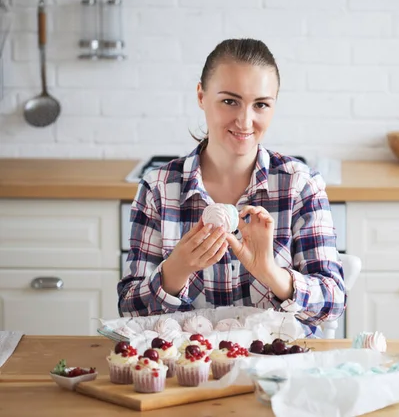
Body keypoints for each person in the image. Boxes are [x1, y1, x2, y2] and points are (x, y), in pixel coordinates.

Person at [117, 38, 346, 337]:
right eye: (229, 101)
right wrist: (176, 269)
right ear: (201, 95)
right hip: (186, 371)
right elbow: (129, 310)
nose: (245, 120)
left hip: (277, 368)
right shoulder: (159, 189)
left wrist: (270, 273)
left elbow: (333, 302)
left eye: (261, 104)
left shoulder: (300, 185)